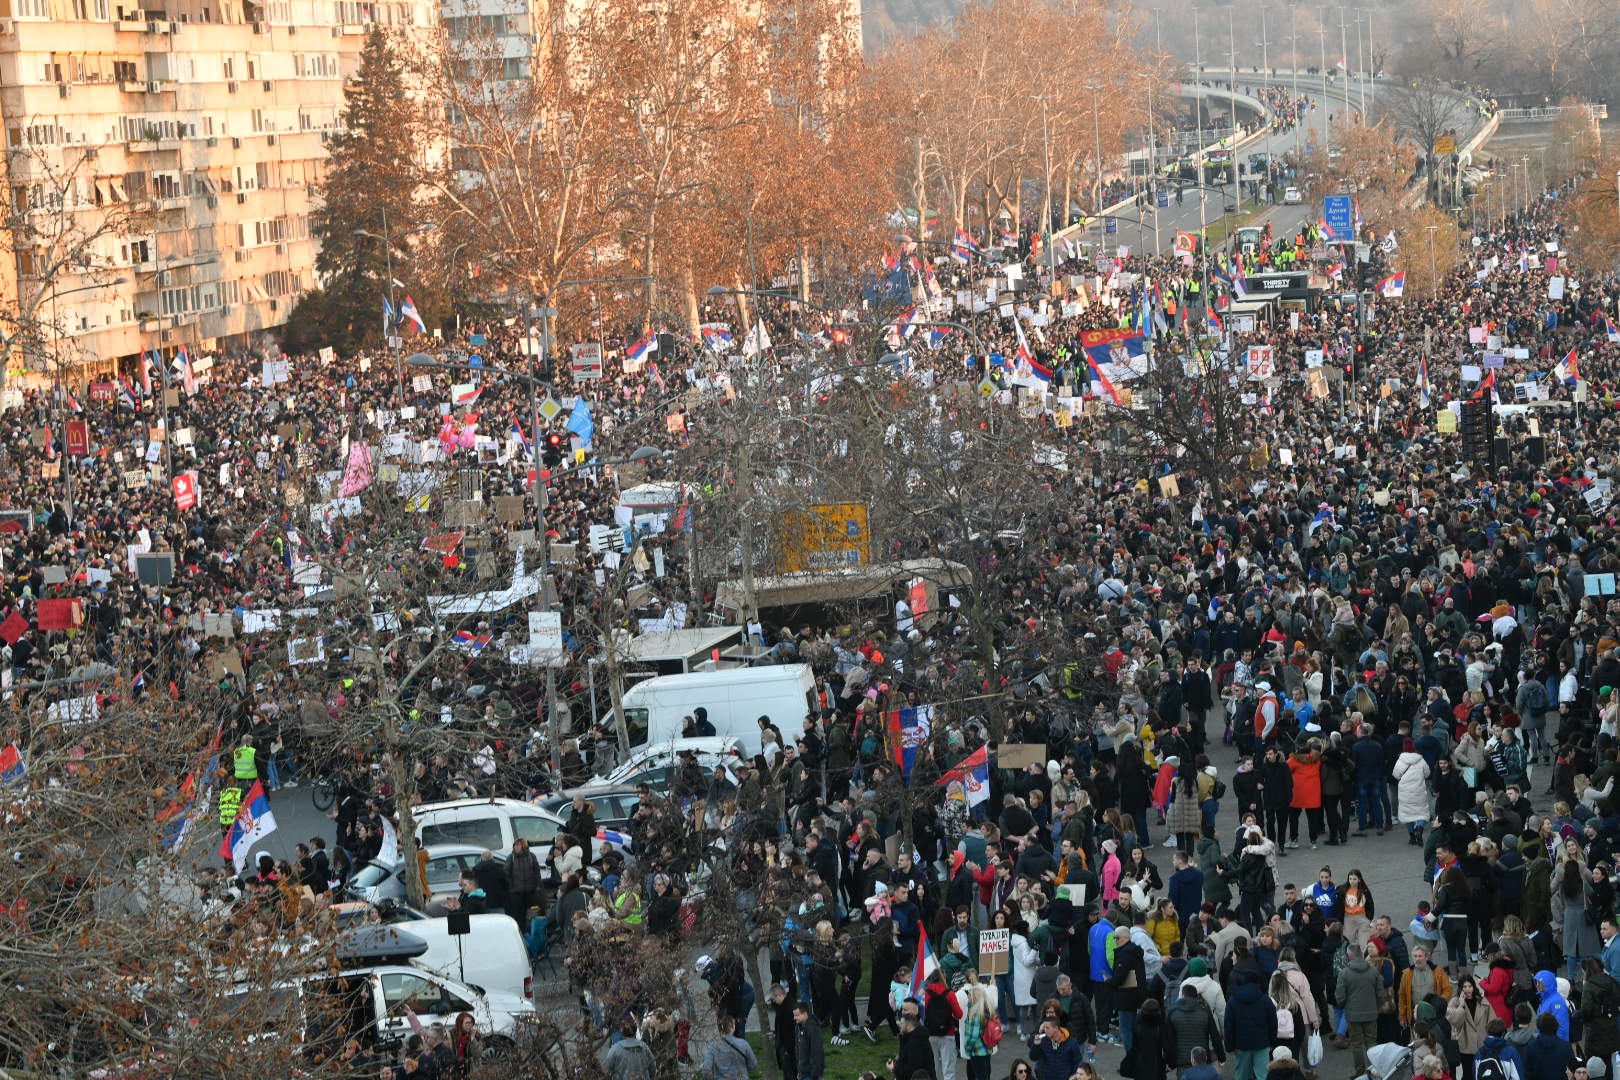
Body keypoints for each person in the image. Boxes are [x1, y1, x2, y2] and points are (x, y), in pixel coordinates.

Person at [1337, 941, 1381, 1077]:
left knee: (1356, 1045)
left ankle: (1360, 1072)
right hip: (1371, 1014)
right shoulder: (1373, 971)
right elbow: (1380, 994)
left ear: (1349, 956)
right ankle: (1373, 1072)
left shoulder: (1344, 973)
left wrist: (1345, 1006)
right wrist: (1375, 1007)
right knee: (1371, 1043)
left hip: (1353, 1015)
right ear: (1361, 954)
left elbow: (1340, 996)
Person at [1224, 970, 1277, 1080]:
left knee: (1242, 1076)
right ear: (1257, 983)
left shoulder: (1233, 1000)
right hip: (1262, 1044)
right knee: (1263, 1076)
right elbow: (1273, 1023)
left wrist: (1229, 1046)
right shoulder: (1265, 1000)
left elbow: (1228, 1025)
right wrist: (1272, 1042)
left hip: (1241, 1045)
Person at [1446, 976, 1495, 1080]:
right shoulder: (1455, 1002)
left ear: (1474, 987)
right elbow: (1455, 1022)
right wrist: (1461, 1006)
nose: (1467, 989)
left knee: (1481, 1074)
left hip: (1481, 1044)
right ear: (1460, 988)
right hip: (1465, 1046)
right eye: (1464, 986)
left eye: (1470, 986)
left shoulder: (1482, 1001)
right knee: (1468, 1074)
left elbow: (1492, 1022)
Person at [702, 1014, 758, 1080]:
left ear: (720, 1029)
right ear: (733, 1027)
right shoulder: (743, 1044)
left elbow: (706, 1070)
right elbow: (753, 1065)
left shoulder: (712, 1048)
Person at [1518, 1012, 1571, 1080]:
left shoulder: (1531, 1047)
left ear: (1539, 1026)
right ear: (1555, 1026)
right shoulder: (1566, 1046)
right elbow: (1572, 1069)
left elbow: (1528, 1072)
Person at [888, 1013, 935, 1080]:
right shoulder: (913, 1038)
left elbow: (912, 1069)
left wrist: (894, 1069)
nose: (899, 1025)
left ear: (909, 1025)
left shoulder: (915, 1043)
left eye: (901, 1024)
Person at [794, 1001, 825, 1080]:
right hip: (802, 1073)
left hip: (811, 1075)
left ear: (805, 1014)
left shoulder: (813, 1029)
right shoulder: (798, 1027)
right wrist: (799, 1071)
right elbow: (798, 1049)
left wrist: (814, 1074)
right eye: (794, 1015)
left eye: (797, 1015)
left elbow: (817, 1053)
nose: (794, 1018)